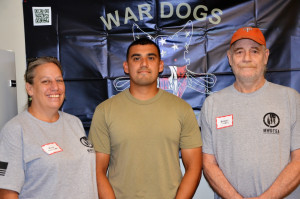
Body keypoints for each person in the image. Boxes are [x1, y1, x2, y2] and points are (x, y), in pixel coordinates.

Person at [88, 38, 202, 199]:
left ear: (160, 66)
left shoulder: (182, 109)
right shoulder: (105, 111)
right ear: (126, 67)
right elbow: (97, 171)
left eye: (150, 58)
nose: (143, 64)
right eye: (136, 58)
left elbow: (195, 167)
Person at [200, 27, 300, 199]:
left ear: (265, 56)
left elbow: (298, 160)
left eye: (255, 51)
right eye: (239, 52)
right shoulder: (212, 104)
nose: (247, 58)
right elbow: (208, 163)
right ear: (230, 58)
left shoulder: (291, 99)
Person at [0, 57, 98, 199]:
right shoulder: (16, 130)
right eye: (46, 81)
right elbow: (7, 192)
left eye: (59, 80)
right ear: (30, 88)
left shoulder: (74, 123)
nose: (55, 87)